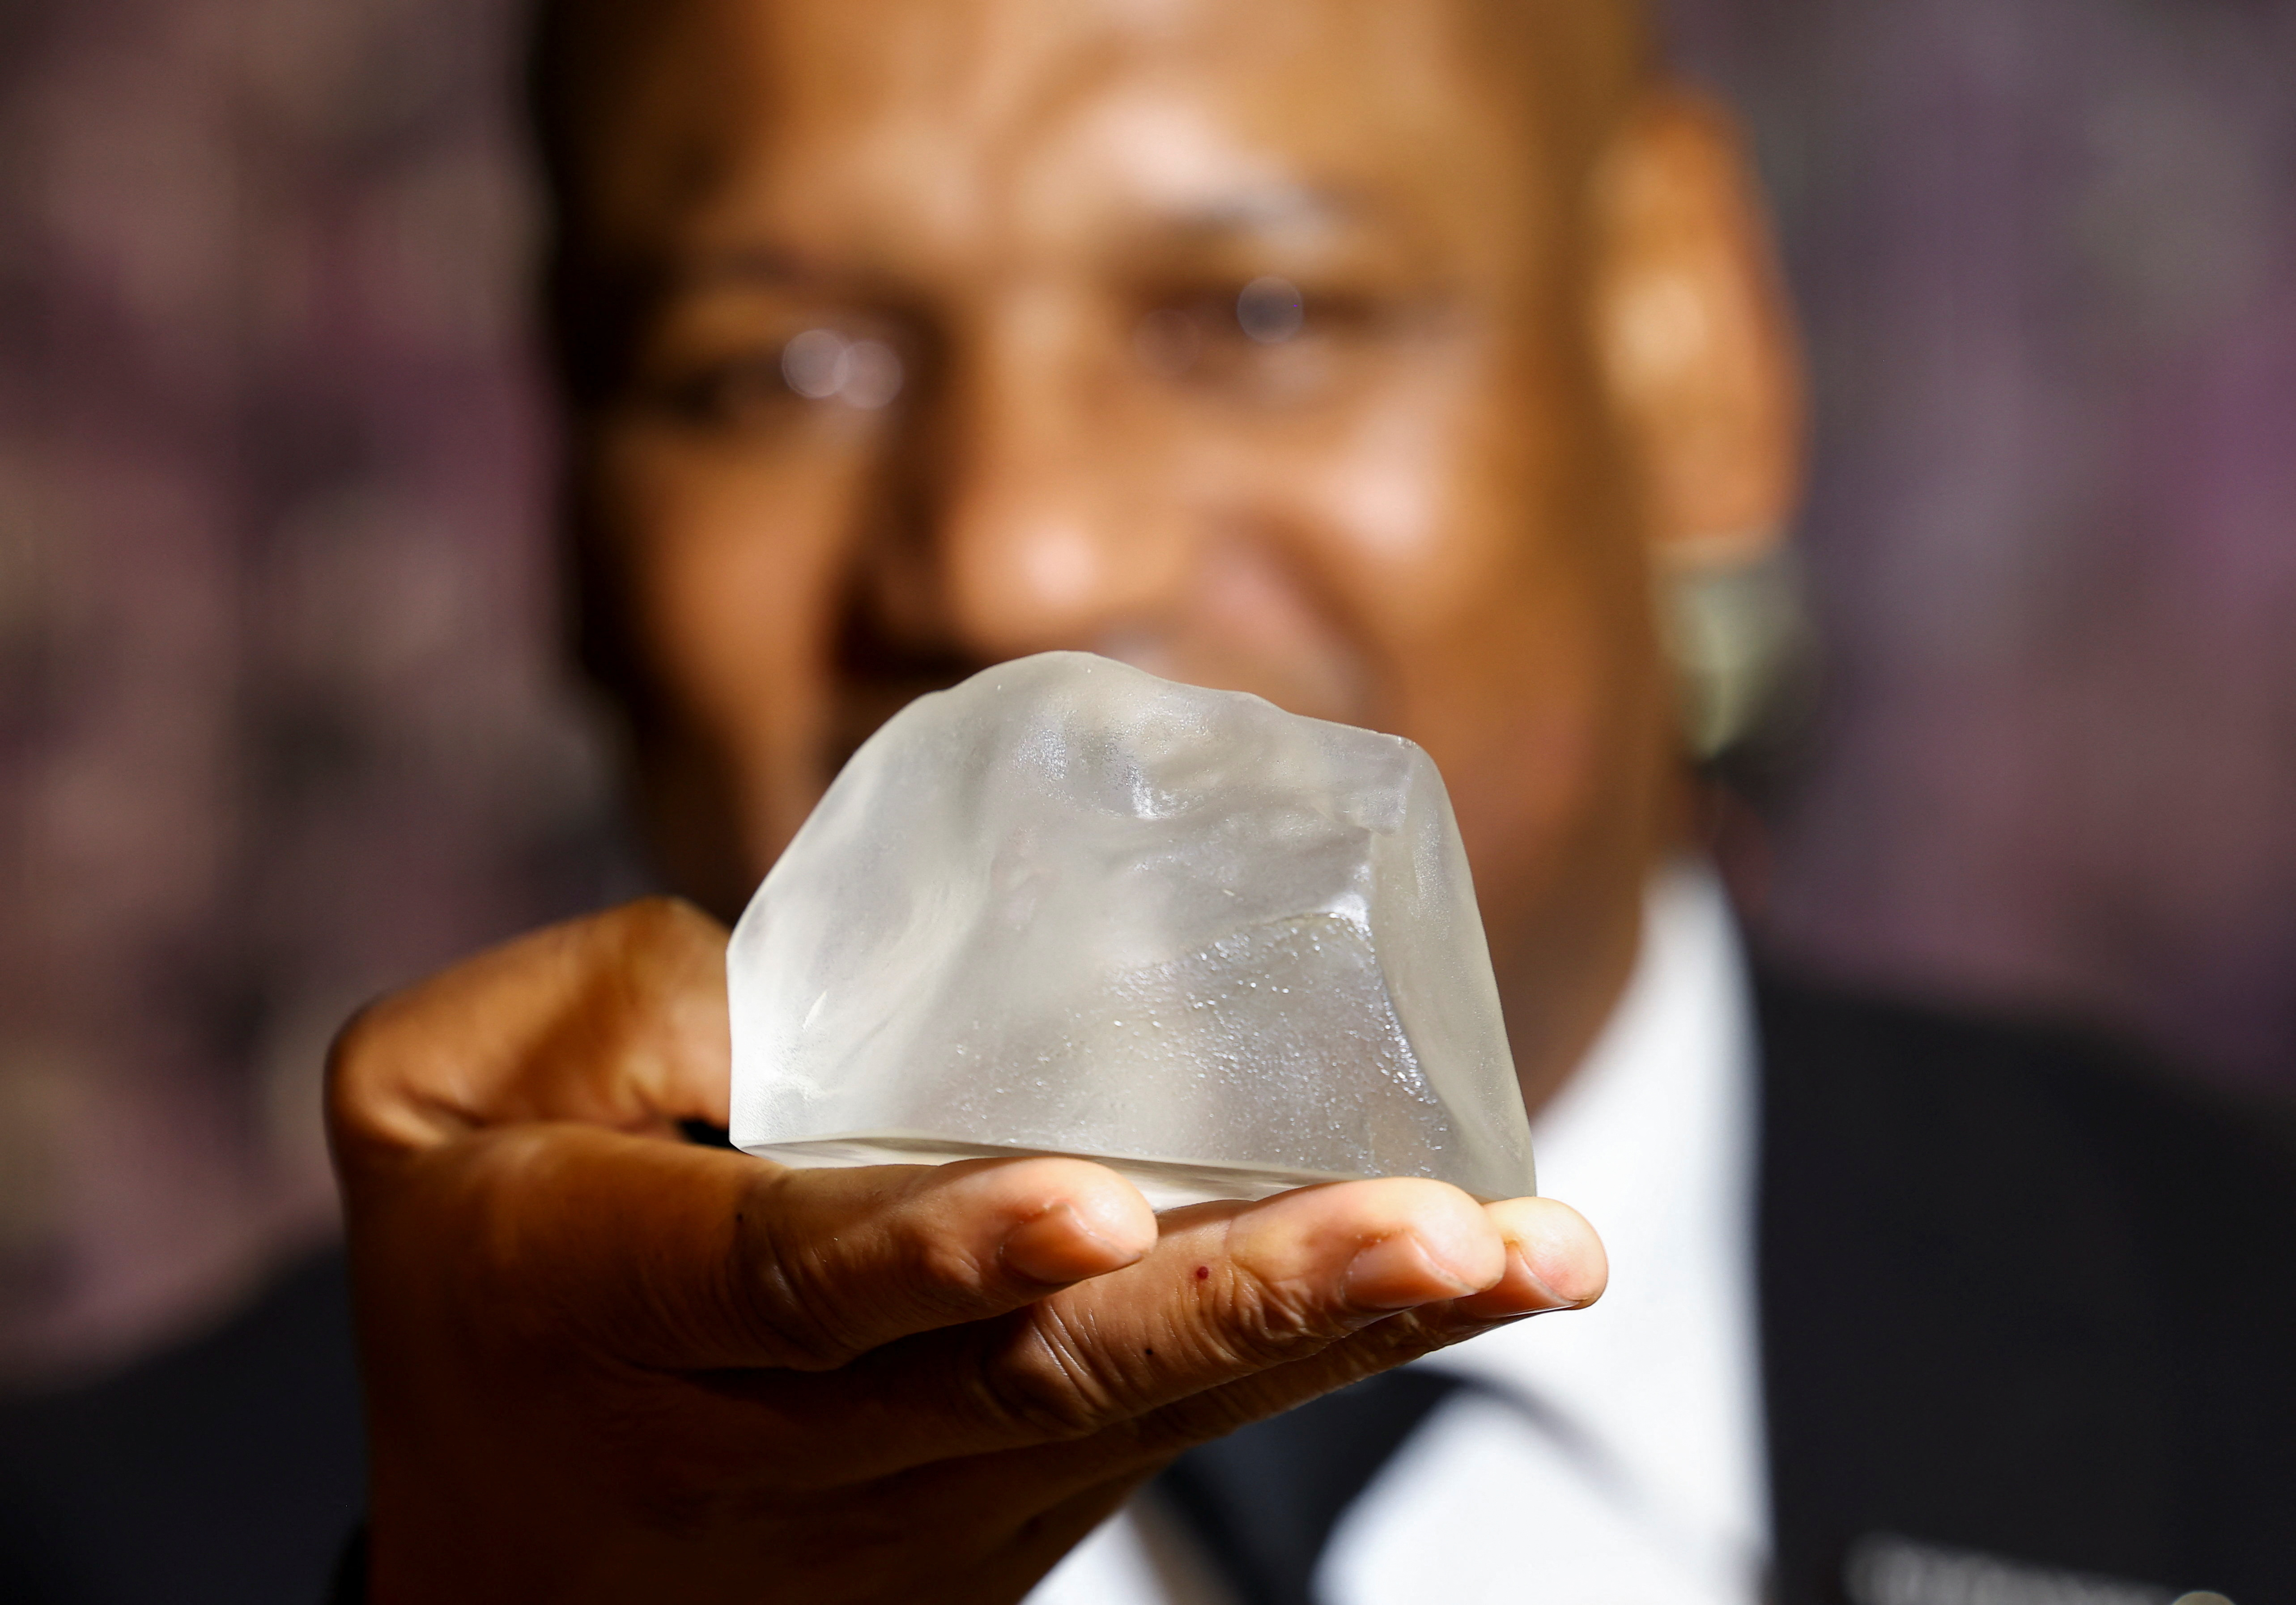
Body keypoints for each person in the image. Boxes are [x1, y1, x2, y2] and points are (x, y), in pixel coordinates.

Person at [4, 0, 2292, 1601]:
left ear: (1680, 349)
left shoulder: (2237, 1357)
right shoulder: (140, 1538)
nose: (1013, 554)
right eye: (772, 367)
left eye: (1256, 310)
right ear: (571, 524)